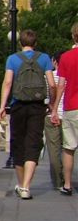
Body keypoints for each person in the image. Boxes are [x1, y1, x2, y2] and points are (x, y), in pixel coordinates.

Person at [0, 29, 56, 200]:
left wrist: (2, 106)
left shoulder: (12, 59)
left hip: (18, 105)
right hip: (37, 106)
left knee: (18, 143)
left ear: (20, 43)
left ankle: (22, 185)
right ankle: (26, 186)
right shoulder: (44, 58)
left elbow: (8, 82)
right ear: (35, 43)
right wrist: (51, 104)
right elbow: (52, 84)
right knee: (33, 143)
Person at [50, 21, 78, 196]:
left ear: (74, 36)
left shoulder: (66, 57)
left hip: (71, 107)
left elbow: (61, 85)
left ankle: (67, 184)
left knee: (69, 147)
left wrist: (54, 109)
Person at [44, 52, 66, 191]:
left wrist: (51, 107)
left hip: (51, 115)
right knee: (70, 150)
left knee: (54, 149)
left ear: (54, 61)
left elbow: (45, 97)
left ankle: (58, 181)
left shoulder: (48, 77)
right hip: (69, 114)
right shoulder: (71, 76)